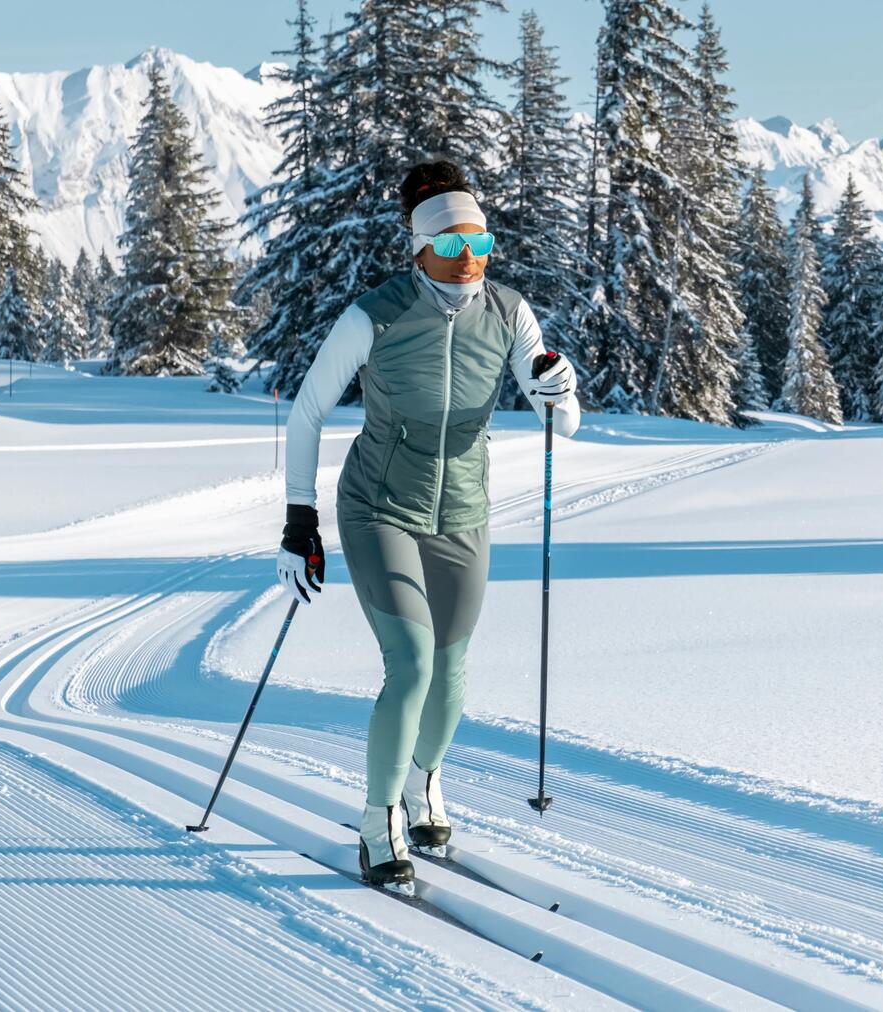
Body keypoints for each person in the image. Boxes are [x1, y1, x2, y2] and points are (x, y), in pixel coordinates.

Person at [275, 160, 581, 894]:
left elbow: (560, 424)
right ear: (417, 248)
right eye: (449, 247)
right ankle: (378, 819)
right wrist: (298, 521)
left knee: (450, 680)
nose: (467, 259)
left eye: (481, 243)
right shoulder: (374, 315)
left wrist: (559, 390)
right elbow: (308, 411)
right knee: (409, 665)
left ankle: (422, 785)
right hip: (380, 506)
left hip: (463, 515)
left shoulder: (510, 313)